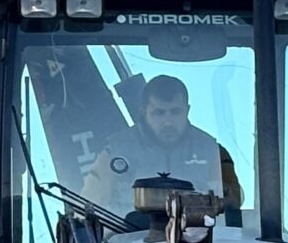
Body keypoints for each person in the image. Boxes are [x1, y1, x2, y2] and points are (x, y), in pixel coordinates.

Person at [85, 74, 245, 213]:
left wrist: (225, 199)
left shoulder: (213, 152)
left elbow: (233, 202)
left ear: (187, 110)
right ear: (144, 112)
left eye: (175, 112)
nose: (168, 122)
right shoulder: (115, 152)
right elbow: (89, 206)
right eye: (159, 113)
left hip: (198, 241)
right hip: (129, 240)